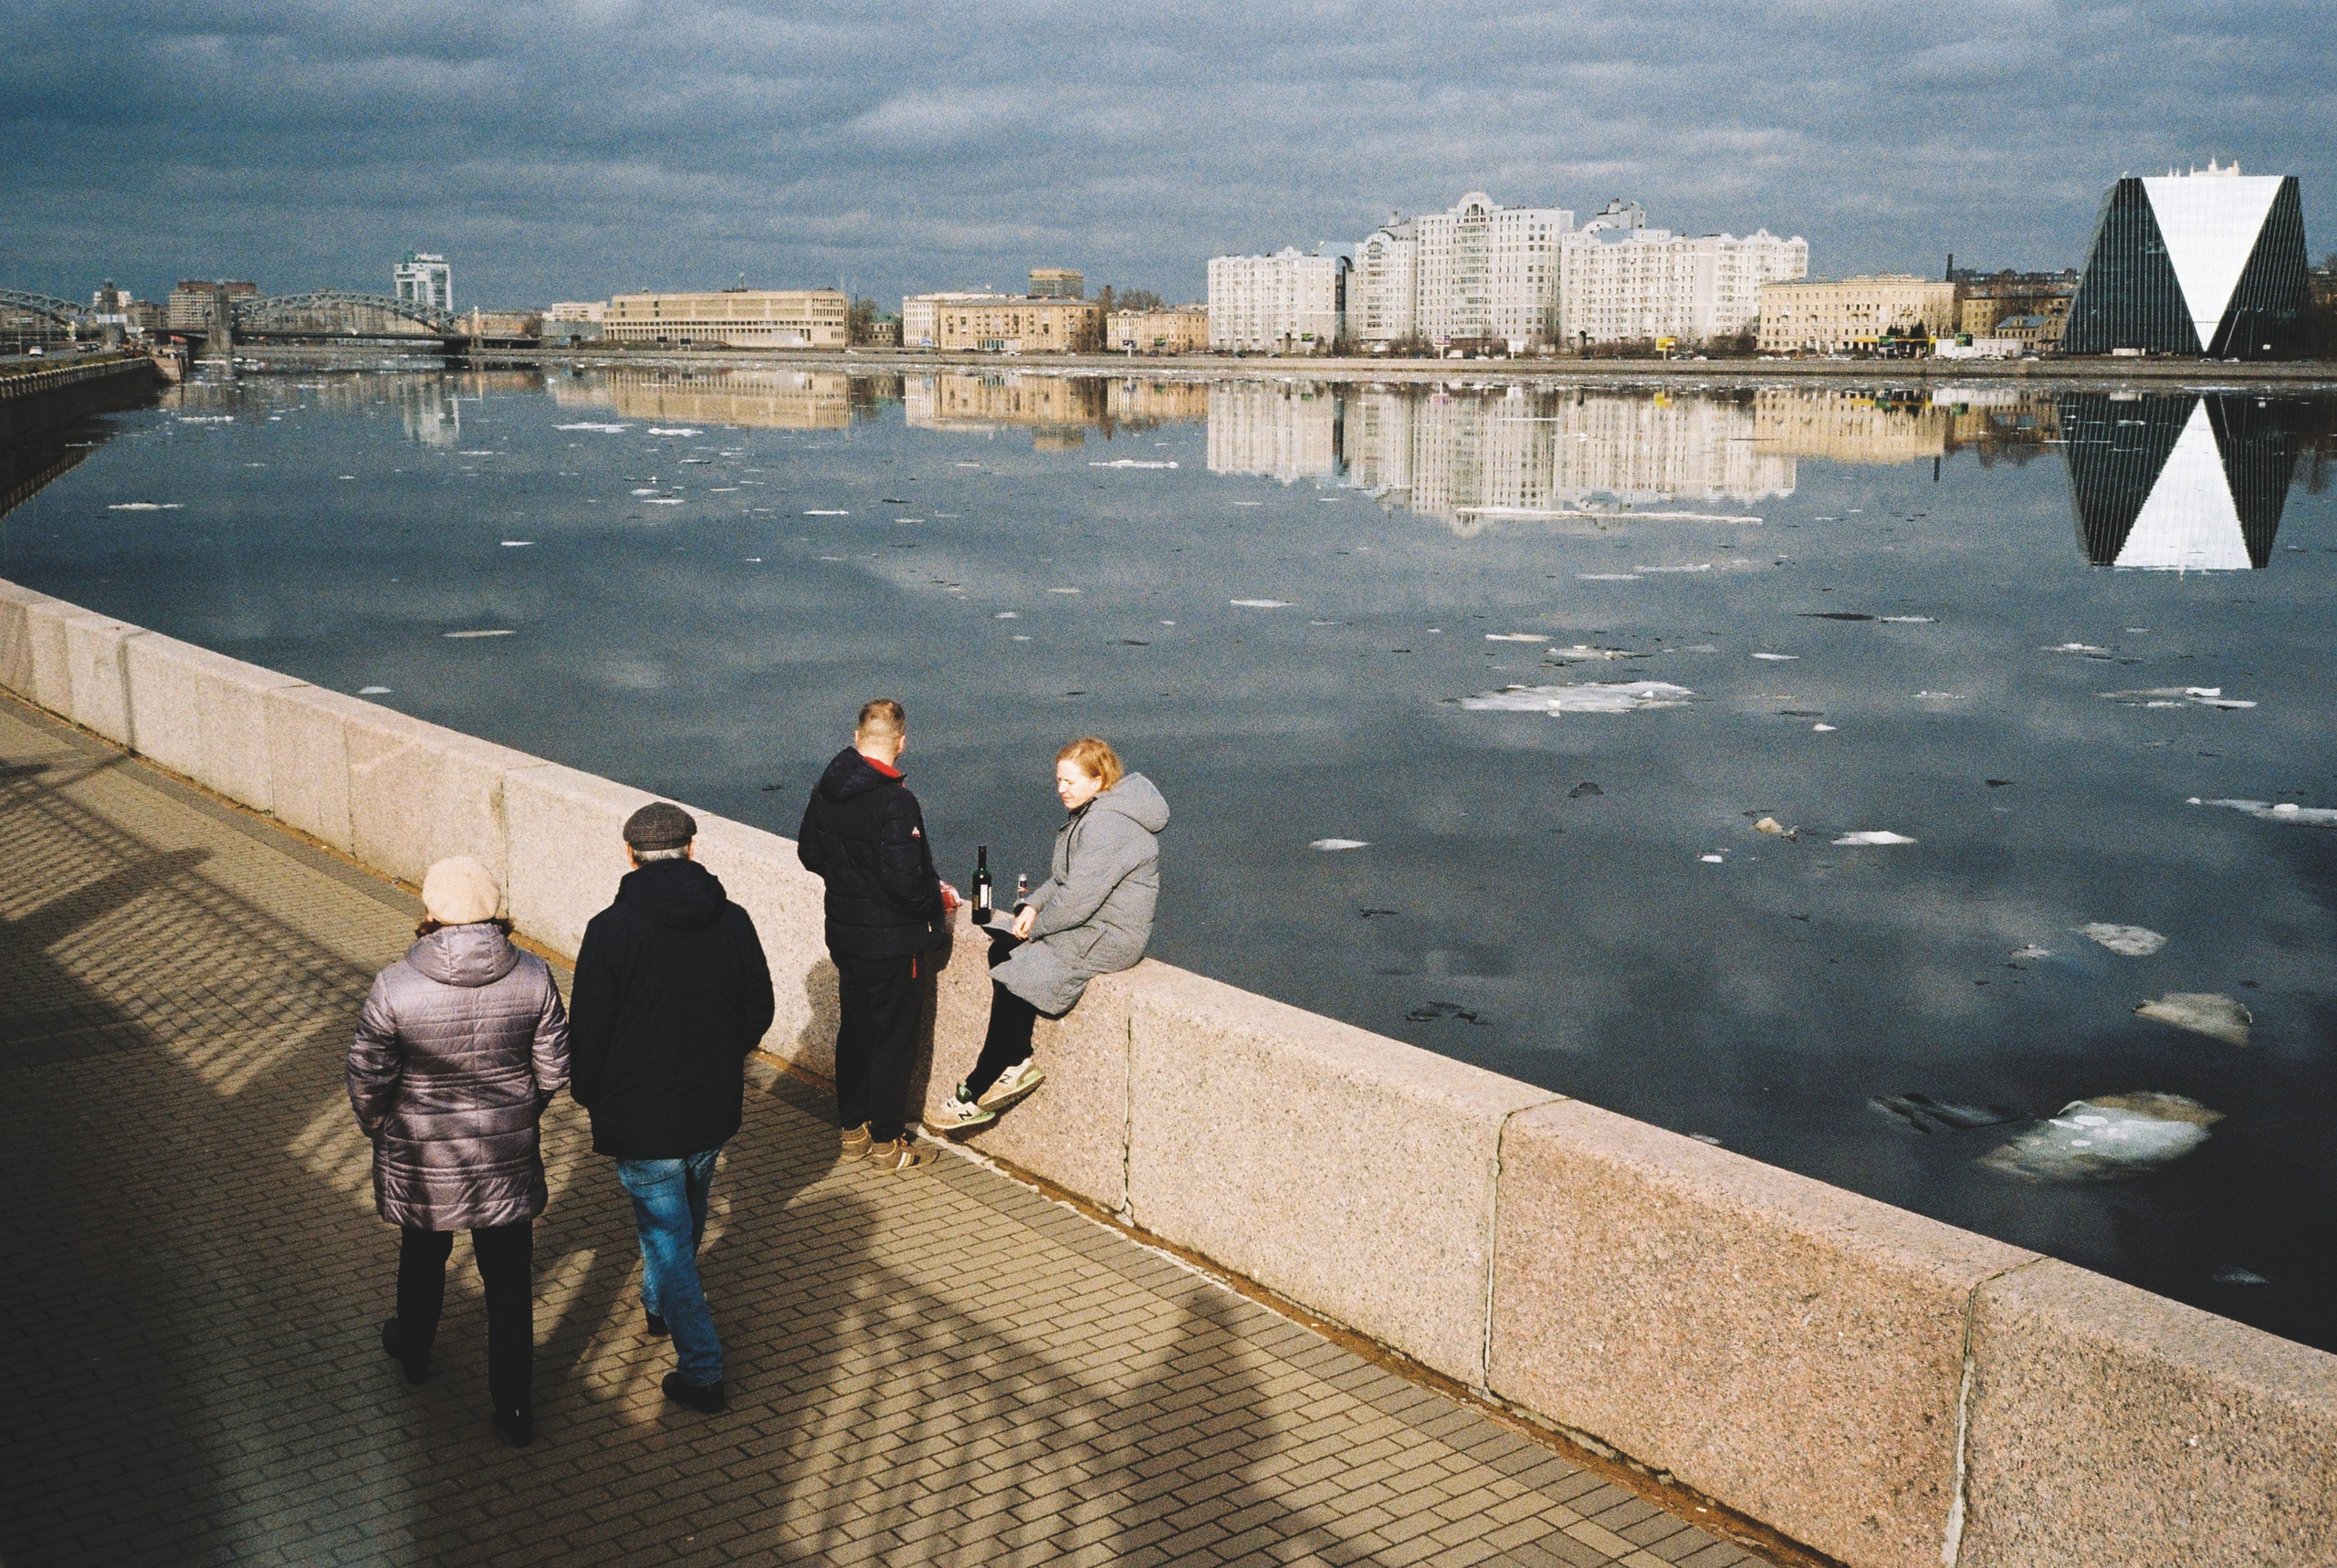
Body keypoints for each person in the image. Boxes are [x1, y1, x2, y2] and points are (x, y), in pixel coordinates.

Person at [349, 855, 569, 1448]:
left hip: (426, 1156)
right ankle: (514, 1406)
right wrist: (521, 1117)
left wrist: (381, 1127)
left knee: (423, 1256)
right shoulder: (534, 976)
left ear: (431, 913)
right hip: (504, 1157)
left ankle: (415, 1351)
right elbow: (553, 1070)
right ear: (495, 913)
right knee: (509, 1281)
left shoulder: (395, 985)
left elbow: (366, 1077)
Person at [570, 801, 774, 1416]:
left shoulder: (611, 930)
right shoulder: (732, 920)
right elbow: (757, 1009)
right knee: (683, 1218)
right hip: (710, 1107)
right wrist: (720, 1056)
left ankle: (703, 1369)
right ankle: (659, 1308)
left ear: (630, 854)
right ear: (692, 849)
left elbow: (589, 1030)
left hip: (641, 1117)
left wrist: (590, 1091)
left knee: (667, 1235)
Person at [930, 738, 1168, 1133]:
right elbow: (1063, 880)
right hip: (1090, 922)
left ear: (1099, 779)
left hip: (1109, 935)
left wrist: (1037, 928)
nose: (1061, 789)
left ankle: (976, 1086)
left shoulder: (1109, 824)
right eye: (1058, 779)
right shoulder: (1094, 812)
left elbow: (1078, 899)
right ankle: (1019, 1058)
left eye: (1070, 781)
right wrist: (1033, 907)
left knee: (1021, 970)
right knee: (1003, 949)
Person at [796, 697, 959, 1172]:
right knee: (893, 1040)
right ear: (902, 743)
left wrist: (852, 882)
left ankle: (852, 1131)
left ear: (857, 738)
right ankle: (889, 1143)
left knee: (855, 1031)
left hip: (846, 937)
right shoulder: (895, 800)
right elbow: (907, 885)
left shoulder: (827, 789)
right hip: (893, 944)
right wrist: (938, 898)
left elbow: (810, 853)